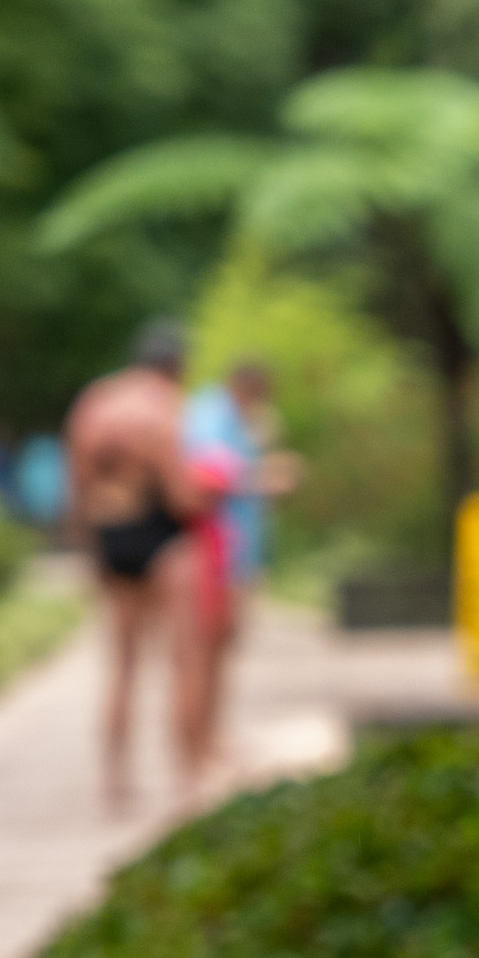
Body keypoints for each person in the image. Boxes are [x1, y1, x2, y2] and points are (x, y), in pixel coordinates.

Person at [64, 319, 206, 811]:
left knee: (122, 664)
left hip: (112, 533)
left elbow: (77, 489)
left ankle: (115, 781)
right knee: (183, 659)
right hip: (162, 535)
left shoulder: (94, 404)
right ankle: (189, 780)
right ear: (176, 364)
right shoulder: (166, 406)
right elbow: (180, 494)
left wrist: (92, 553)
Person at [182, 360, 300, 767]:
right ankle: (199, 745)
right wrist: (264, 477)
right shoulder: (210, 414)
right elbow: (206, 476)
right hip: (217, 549)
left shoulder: (236, 419)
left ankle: (212, 738)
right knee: (208, 648)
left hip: (237, 550)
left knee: (223, 647)